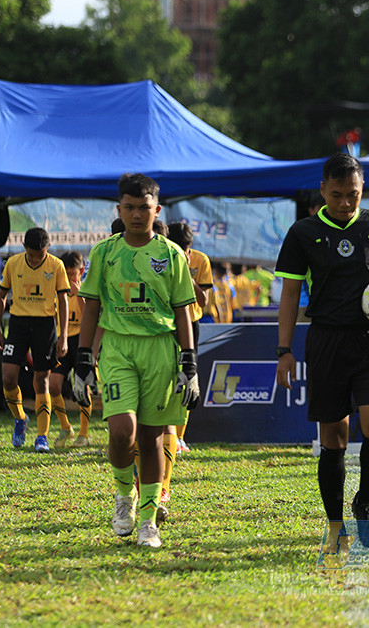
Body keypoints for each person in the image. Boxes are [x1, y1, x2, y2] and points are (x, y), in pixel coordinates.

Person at [274, 152, 369, 562]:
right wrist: (284, 351)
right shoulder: (303, 232)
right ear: (322, 191)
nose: (346, 203)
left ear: (362, 190)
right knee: (333, 438)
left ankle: (364, 500)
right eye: (337, 196)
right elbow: (290, 295)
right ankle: (336, 525)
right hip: (326, 340)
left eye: (352, 195)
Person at [75, 173, 198, 549]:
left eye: (144, 208)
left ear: (155, 209)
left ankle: (148, 522)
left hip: (160, 349)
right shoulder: (105, 252)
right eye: (129, 207)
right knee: (121, 432)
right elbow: (91, 306)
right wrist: (82, 360)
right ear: (119, 209)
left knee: (151, 437)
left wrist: (189, 364)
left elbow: (182, 312)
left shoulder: (171, 255)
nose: (136, 215)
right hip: (118, 350)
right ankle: (122, 496)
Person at [0, 228, 70, 453]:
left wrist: (63, 335)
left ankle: (42, 436)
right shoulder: (13, 264)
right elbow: (1, 296)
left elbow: (63, 301)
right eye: (32, 254)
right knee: (8, 378)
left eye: (41, 255)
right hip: (18, 324)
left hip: (45, 325)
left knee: (42, 381)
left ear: (47, 249)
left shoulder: (56, 265)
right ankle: (20, 418)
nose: (36, 259)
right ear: (24, 248)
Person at [159, 221, 213, 520]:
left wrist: (185, 271)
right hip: (165, 323)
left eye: (187, 250)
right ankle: (170, 435)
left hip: (191, 322)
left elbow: (204, 300)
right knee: (166, 381)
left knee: (187, 377)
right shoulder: (161, 255)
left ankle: (179, 436)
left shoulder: (200, 261)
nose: (185, 253)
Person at [47, 251, 84, 449]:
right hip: (61, 341)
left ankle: (84, 433)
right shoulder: (56, 293)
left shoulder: (85, 291)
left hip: (80, 341)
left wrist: (80, 295)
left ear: (81, 271)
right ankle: (65, 426)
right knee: (53, 385)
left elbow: (91, 317)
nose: (69, 279)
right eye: (66, 274)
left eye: (73, 274)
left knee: (81, 388)